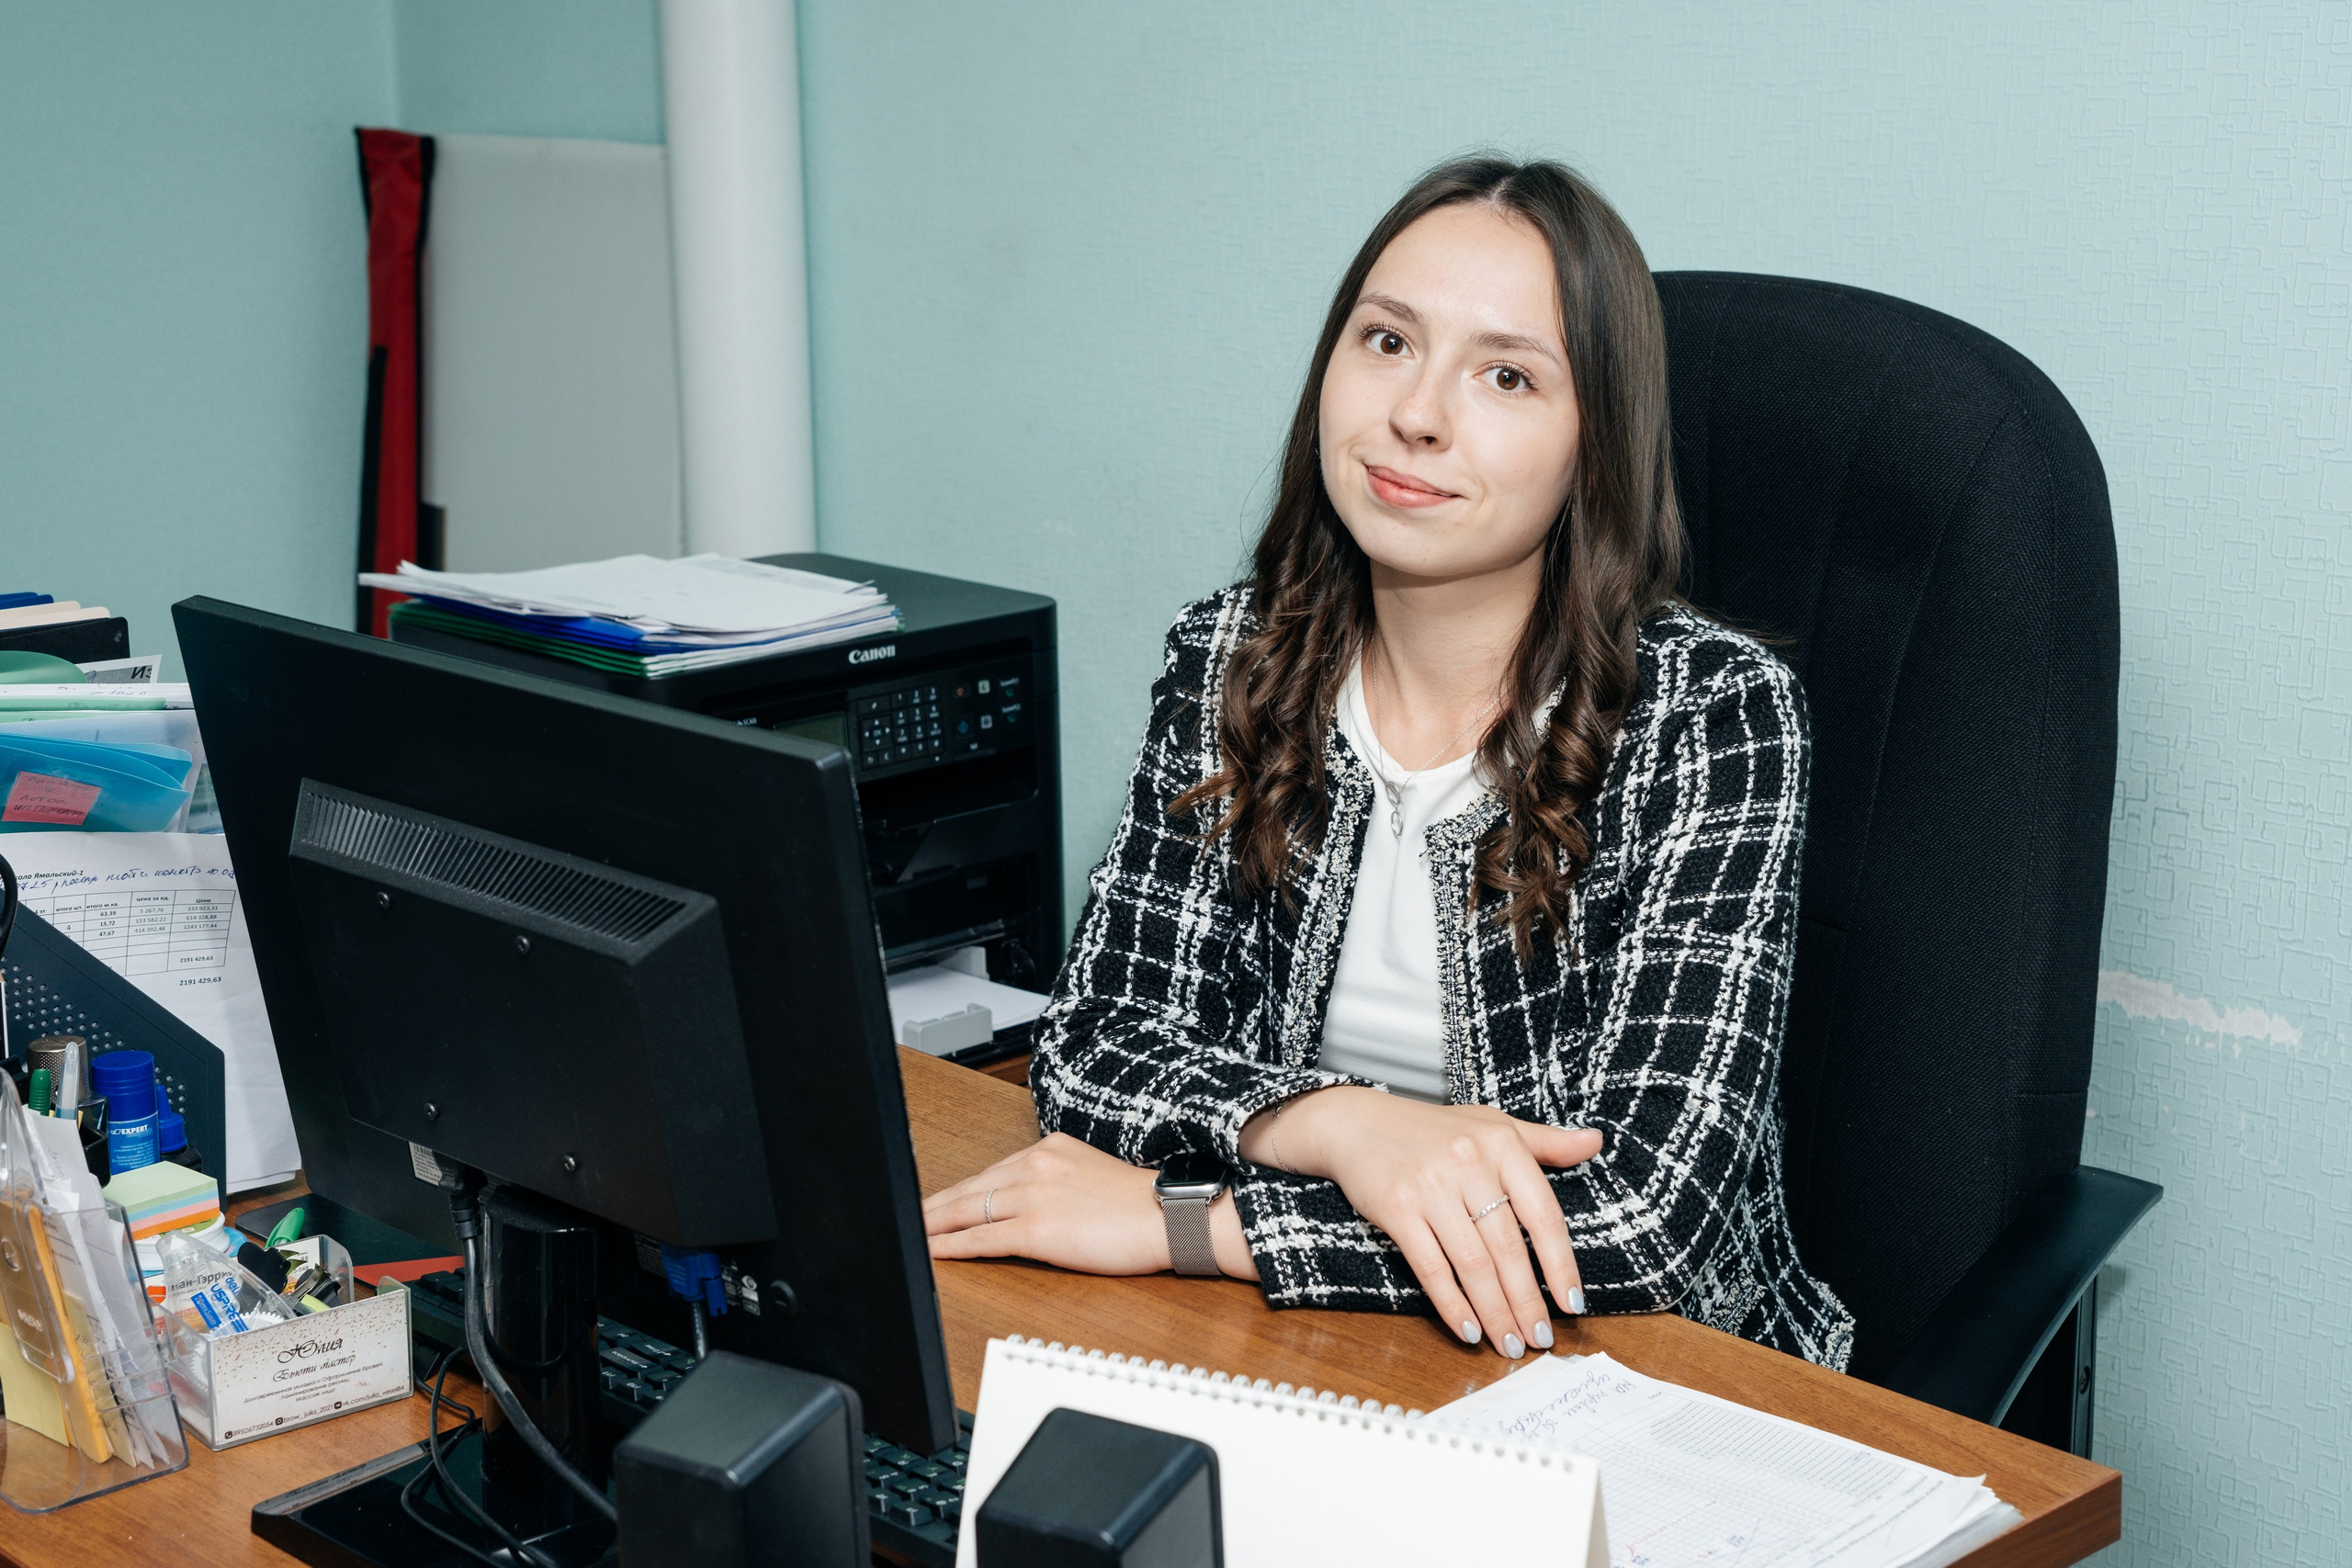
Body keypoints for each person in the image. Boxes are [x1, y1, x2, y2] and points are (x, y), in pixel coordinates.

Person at [924, 154, 1854, 1371]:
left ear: (1597, 449)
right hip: (1316, 1353)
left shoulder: (1717, 718)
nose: (1417, 413)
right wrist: (1349, 1129)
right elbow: (1097, 1044)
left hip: (1652, 1383)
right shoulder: (1233, 659)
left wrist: (1194, 1223)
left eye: (1508, 376)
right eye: (1386, 342)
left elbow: (1649, 1222)